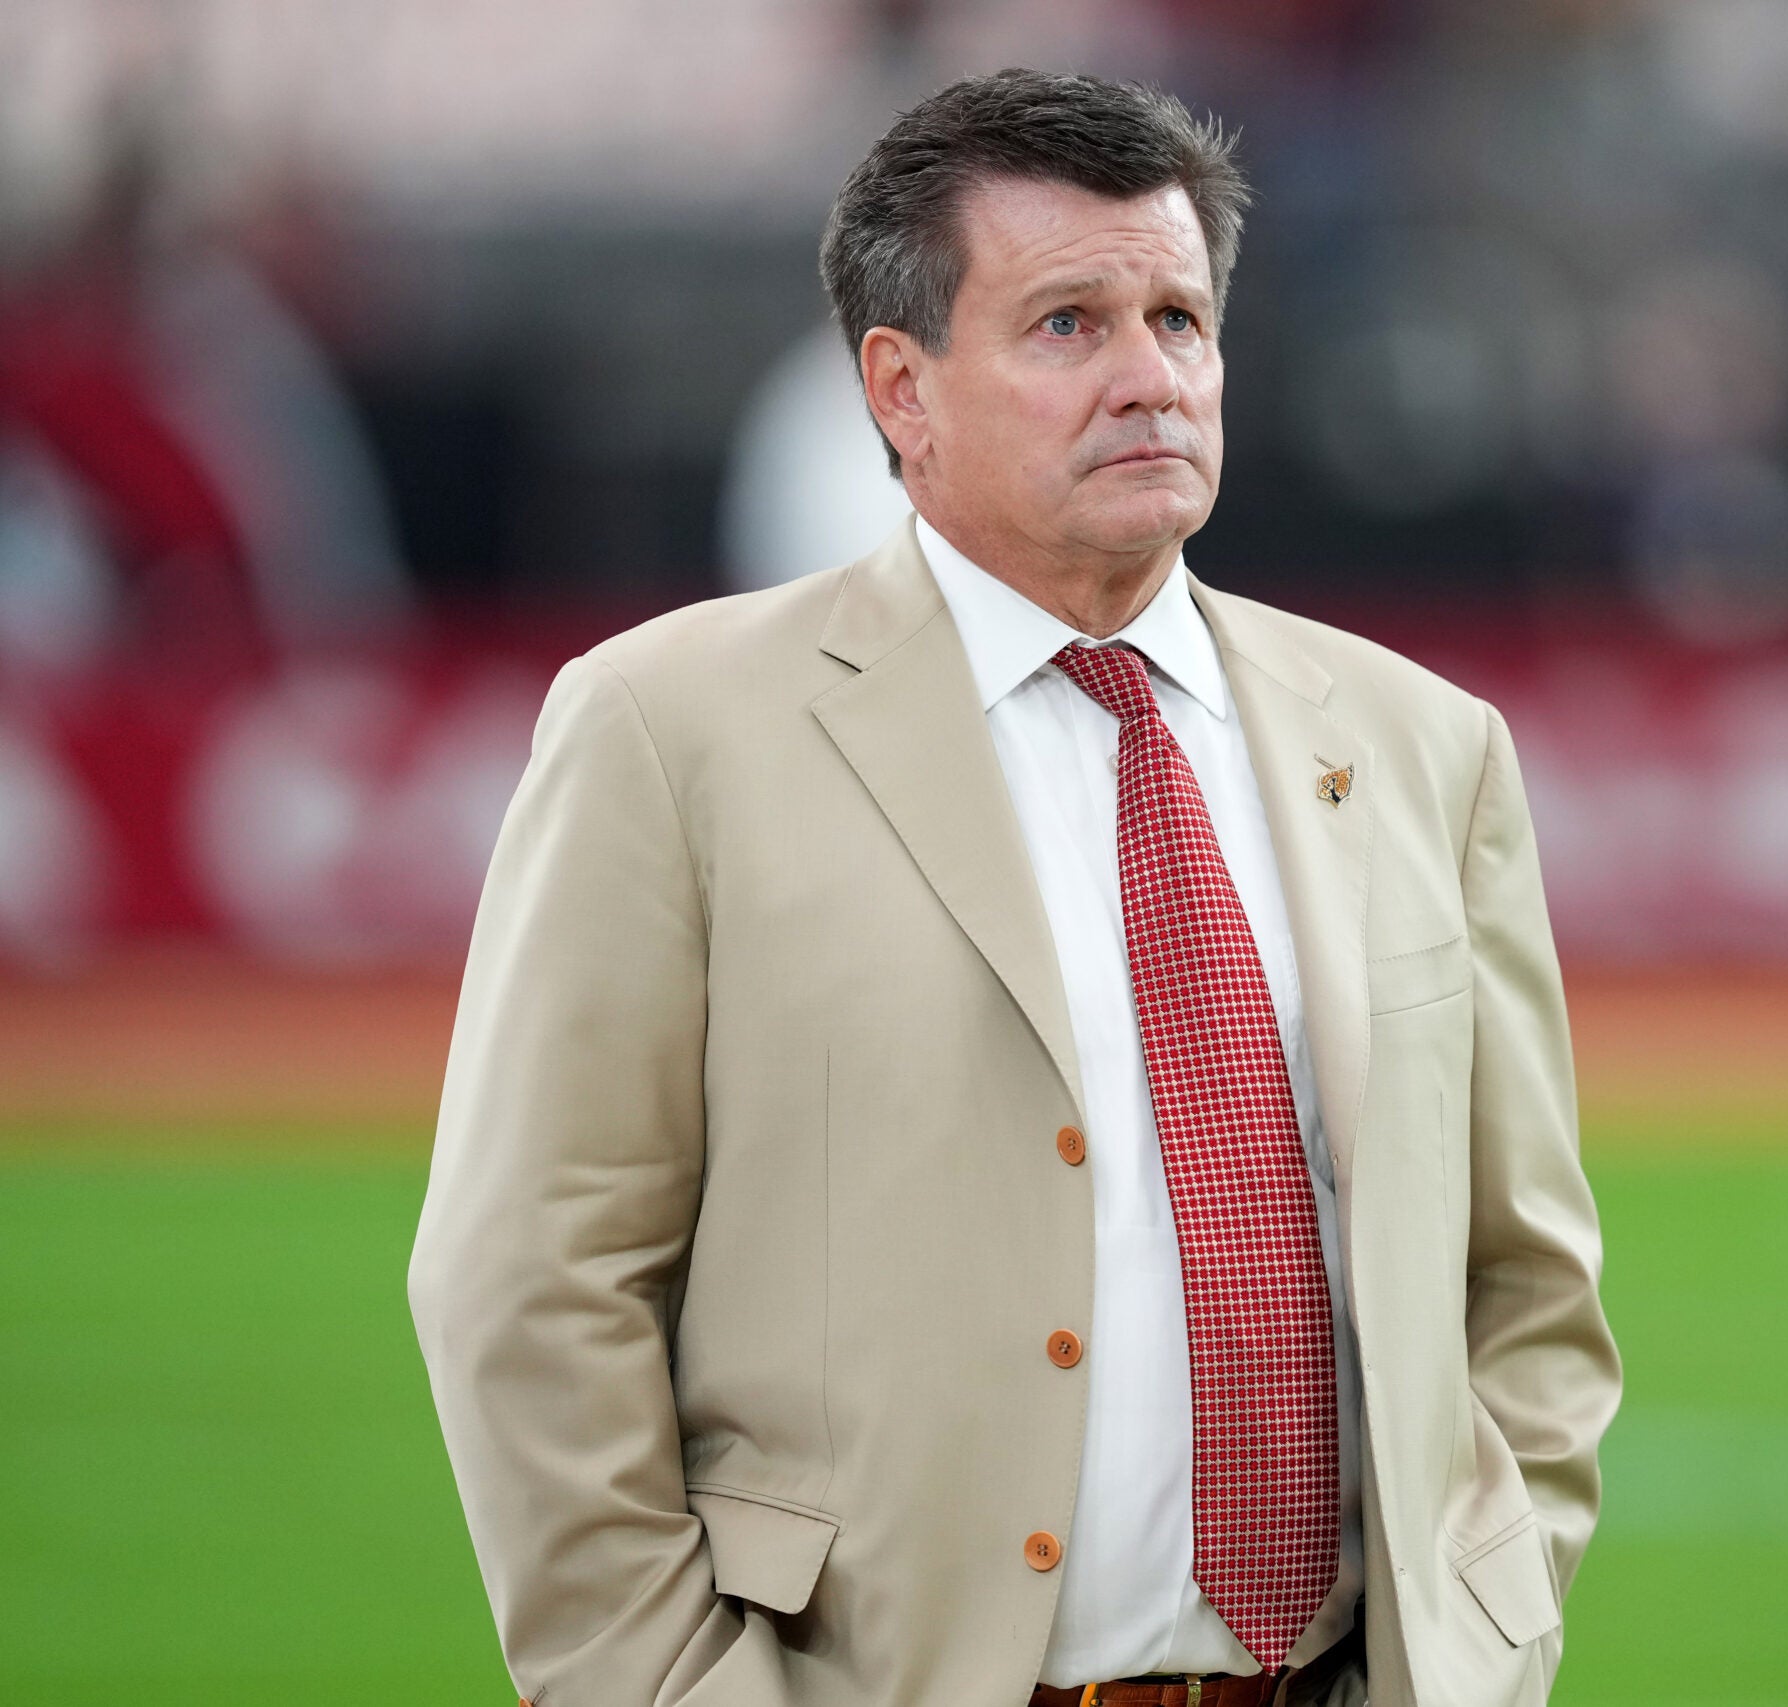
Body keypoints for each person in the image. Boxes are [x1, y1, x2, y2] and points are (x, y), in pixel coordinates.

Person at [408, 69, 1619, 1707]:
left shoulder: (1422, 744)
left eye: (1179, 319)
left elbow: (1526, 1284)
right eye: (1069, 325)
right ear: (900, 389)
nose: (1150, 378)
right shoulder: (666, 730)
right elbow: (530, 1280)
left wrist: (1490, 1634)